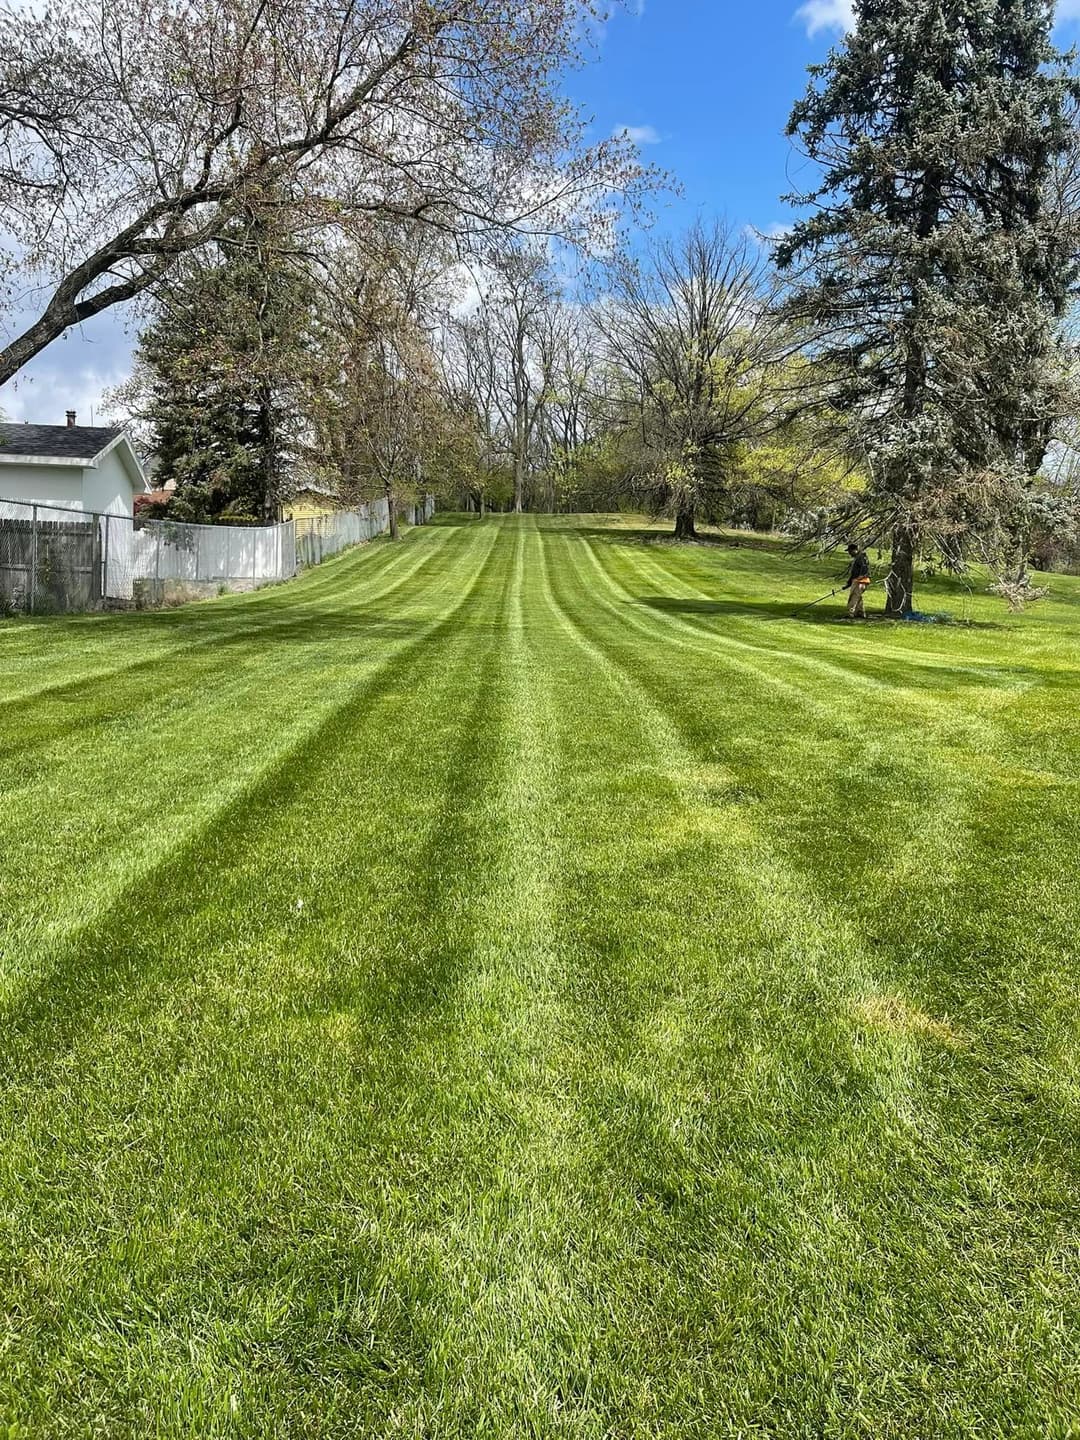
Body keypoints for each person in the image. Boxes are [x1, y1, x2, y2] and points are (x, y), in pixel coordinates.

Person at [842, 542, 870, 618]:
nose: (849, 553)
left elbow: (864, 569)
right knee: (858, 597)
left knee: (853, 597)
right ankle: (860, 613)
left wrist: (860, 578)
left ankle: (850, 613)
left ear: (856, 550)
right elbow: (854, 573)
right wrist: (848, 584)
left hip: (860, 581)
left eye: (850, 551)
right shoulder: (858, 558)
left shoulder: (861, 558)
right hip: (858, 580)